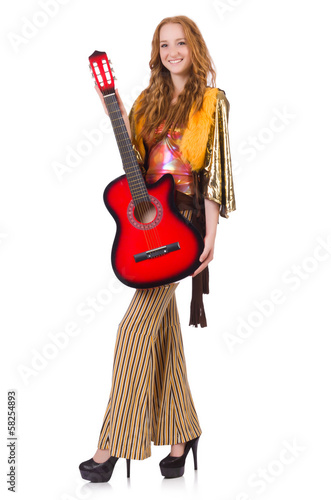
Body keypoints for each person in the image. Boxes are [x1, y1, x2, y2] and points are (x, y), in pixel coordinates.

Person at [79, 14, 236, 482]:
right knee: (162, 336)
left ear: (195, 48)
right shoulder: (147, 101)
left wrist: (211, 234)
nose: (172, 52)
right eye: (164, 44)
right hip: (149, 227)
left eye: (180, 43)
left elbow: (217, 171)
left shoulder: (212, 101)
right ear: (156, 52)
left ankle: (111, 444)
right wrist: (115, 108)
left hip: (184, 225)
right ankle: (182, 432)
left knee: (132, 331)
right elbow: (136, 163)